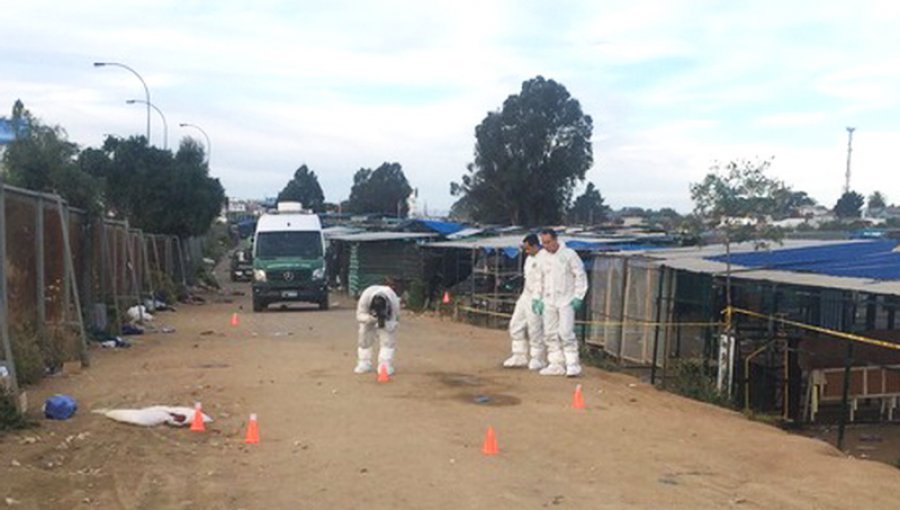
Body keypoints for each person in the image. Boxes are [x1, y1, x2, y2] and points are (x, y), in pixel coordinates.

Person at [535, 229, 588, 377]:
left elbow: (580, 275)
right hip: (548, 300)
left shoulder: (569, 255)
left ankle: (572, 364)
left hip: (566, 300)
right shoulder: (541, 257)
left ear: (555, 239)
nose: (546, 246)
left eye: (548, 242)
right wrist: (536, 298)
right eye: (543, 243)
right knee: (550, 333)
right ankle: (556, 364)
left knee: (565, 332)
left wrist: (579, 296)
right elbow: (539, 278)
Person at [503, 234, 547, 370]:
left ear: (535, 246)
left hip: (538, 297)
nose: (526, 252)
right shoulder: (529, 259)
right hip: (525, 295)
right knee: (515, 324)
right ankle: (519, 355)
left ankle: (537, 358)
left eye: (528, 249)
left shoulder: (546, 259)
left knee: (535, 329)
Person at [354, 285, 401, 375]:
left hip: (388, 318)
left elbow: (396, 318)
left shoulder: (393, 299)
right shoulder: (366, 296)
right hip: (368, 316)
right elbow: (359, 315)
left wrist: (388, 324)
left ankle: (385, 364)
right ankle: (364, 362)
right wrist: (370, 319)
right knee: (364, 337)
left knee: (388, 340)